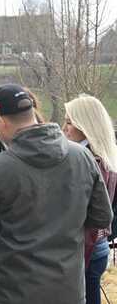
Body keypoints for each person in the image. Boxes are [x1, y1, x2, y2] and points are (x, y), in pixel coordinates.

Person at [0, 84, 113, 304]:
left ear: (0, 121)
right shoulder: (82, 157)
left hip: (15, 293)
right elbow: (102, 218)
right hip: (68, 290)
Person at [63, 95, 117, 304]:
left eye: (69, 122)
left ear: (85, 126)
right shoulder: (106, 156)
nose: (64, 128)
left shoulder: (87, 159)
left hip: (85, 244)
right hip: (97, 242)